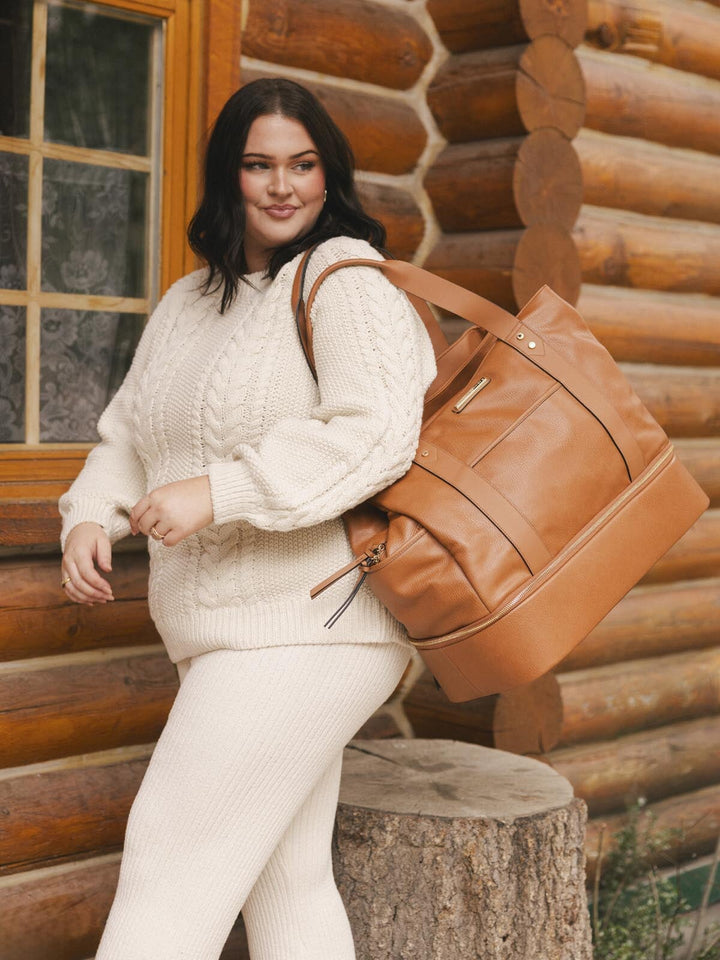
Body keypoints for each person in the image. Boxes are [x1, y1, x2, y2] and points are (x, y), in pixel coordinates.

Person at [58, 77, 437, 960]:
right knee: (288, 882)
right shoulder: (190, 303)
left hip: (312, 622)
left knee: (167, 863)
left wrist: (218, 491)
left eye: (302, 165)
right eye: (258, 164)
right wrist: (90, 515)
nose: (281, 186)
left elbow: (376, 434)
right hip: (222, 629)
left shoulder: (346, 280)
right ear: (227, 176)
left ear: (328, 174)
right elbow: (128, 435)